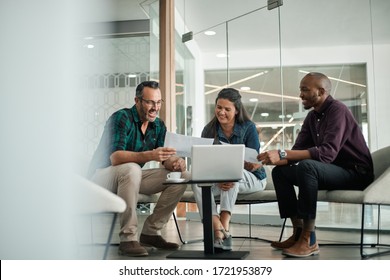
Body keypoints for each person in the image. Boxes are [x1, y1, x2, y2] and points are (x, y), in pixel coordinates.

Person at [258, 72, 374, 258]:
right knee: (281, 172)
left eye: (305, 89)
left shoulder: (338, 110)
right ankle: (297, 232)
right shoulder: (312, 117)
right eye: (300, 90)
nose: (300, 94)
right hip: (331, 171)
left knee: (308, 166)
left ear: (321, 92)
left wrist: (281, 153)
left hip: (356, 173)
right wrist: (265, 162)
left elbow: (326, 153)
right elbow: (296, 153)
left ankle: (309, 239)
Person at [87, 81, 189, 257]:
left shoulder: (158, 125)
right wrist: (151, 155)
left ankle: (150, 232)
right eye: (149, 102)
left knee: (182, 176)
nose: (154, 108)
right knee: (132, 168)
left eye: (158, 102)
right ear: (137, 100)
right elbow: (116, 157)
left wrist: (174, 162)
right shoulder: (121, 118)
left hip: (129, 176)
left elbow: (162, 157)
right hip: (101, 177)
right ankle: (128, 238)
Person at [192, 88, 267, 251]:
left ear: (237, 110)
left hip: (252, 178)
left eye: (227, 109)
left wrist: (235, 167)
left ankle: (223, 225)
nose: (221, 112)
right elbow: (205, 162)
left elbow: (254, 161)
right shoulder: (209, 129)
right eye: (219, 107)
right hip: (220, 179)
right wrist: (218, 176)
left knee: (230, 175)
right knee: (196, 181)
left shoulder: (248, 128)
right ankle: (217, 228)